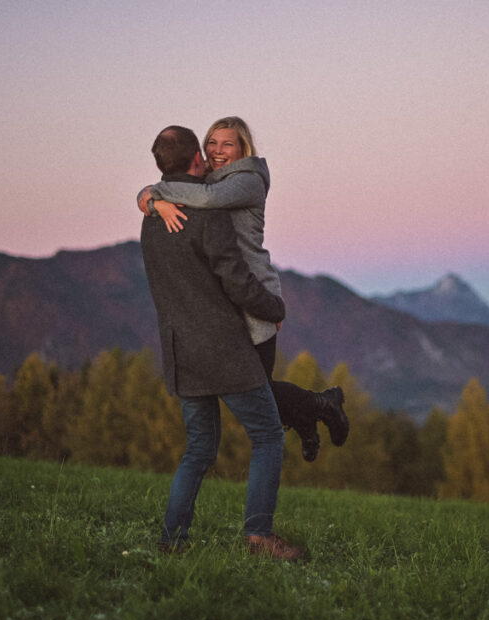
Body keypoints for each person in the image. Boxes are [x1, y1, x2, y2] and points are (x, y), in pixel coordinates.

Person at [136, 117, 347, 463]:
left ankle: (320, 406)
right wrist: (150, 200)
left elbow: (207, 198)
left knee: (257, 389)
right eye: (212, 143)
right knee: (255, 391)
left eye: (227, 144)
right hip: (232, 293)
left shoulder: (247, 180)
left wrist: (155, 196)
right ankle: (310, 414)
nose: (217, 151)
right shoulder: (207, 179)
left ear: (243, 148)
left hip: (255, 293)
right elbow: (179, 185)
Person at [141, 125, 304, 561]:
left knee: (198, 449)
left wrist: (152, 198)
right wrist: (274, 307)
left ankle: (172, 540)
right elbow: (237, 281)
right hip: (222, 351)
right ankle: (259, 537)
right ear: (197, 158)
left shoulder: (152, 218)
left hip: (180, 351)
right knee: (267, 435)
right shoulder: (208, 215)